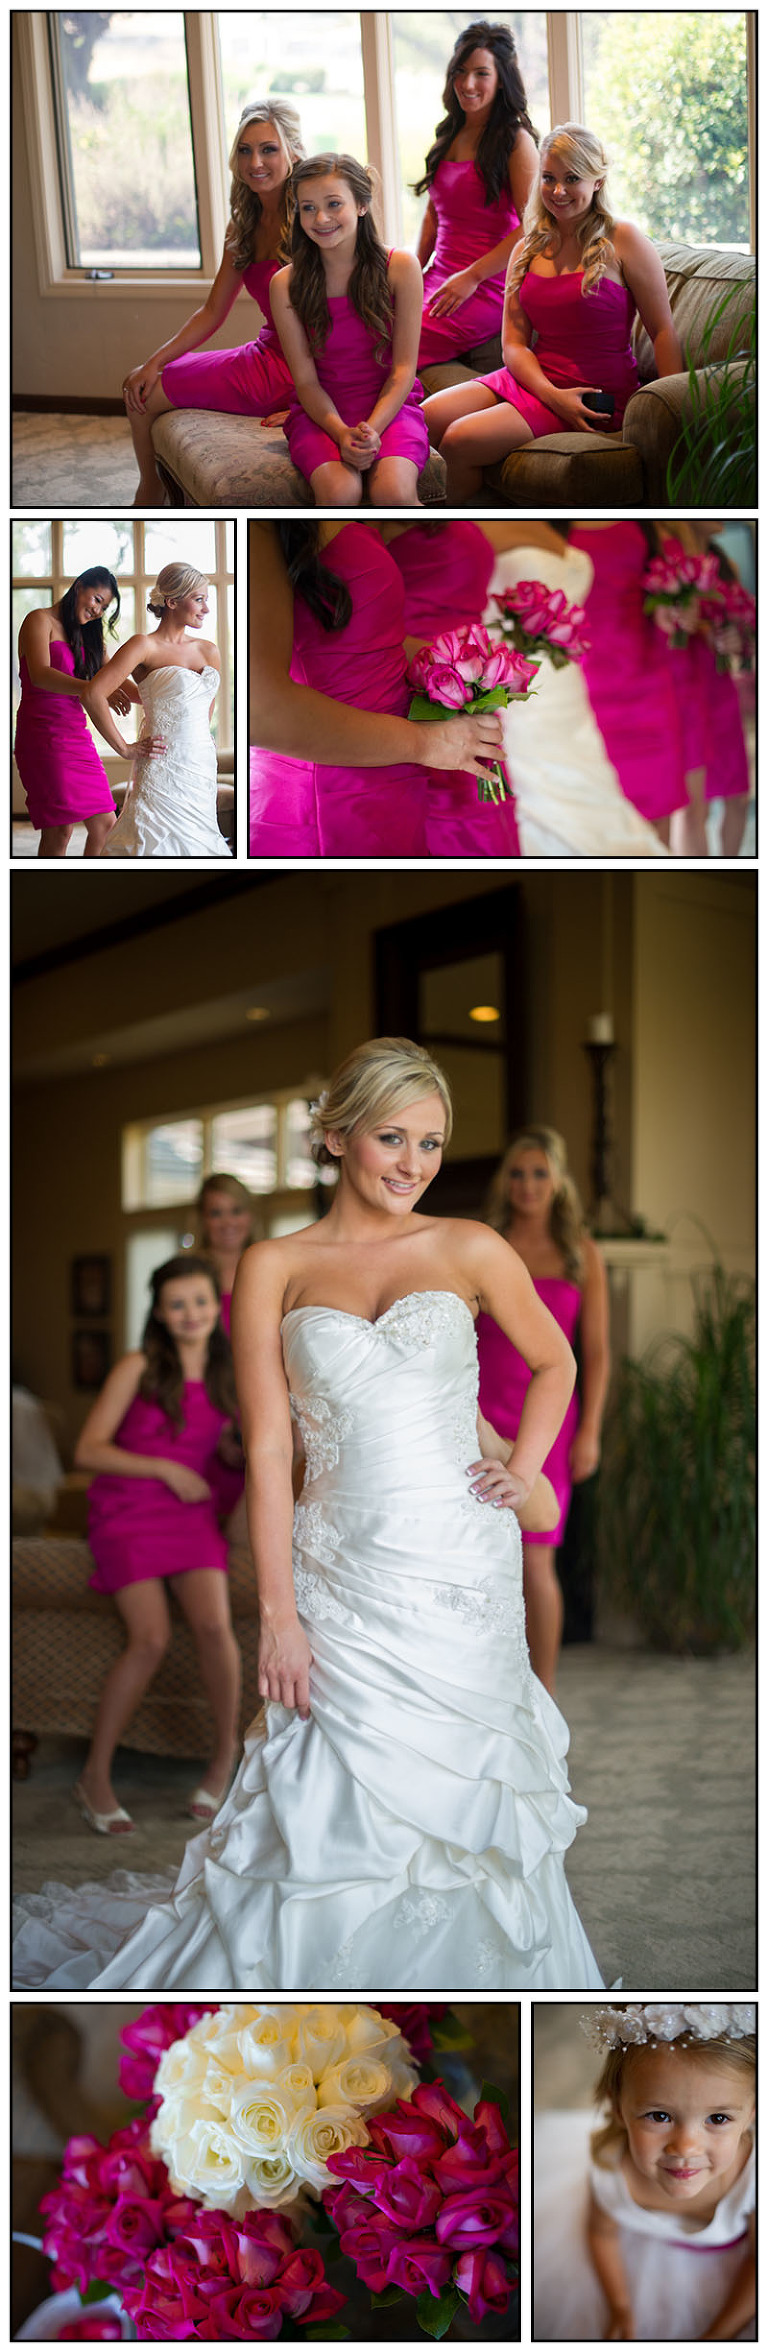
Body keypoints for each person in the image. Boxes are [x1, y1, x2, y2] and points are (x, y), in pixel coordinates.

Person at [12, 1038, 605, 1991]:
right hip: (340, 1564)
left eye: (431, 1142)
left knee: (466, 1773)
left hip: (461, 1561)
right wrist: (279, 1616)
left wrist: (523, 1467)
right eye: (391, 1137)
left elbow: (557, 1362)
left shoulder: (469, 1246)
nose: (413, 1163)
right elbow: (270, 1448)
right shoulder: (272, 1265)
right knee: (325, 1776)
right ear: (335, 1138)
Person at [69, 1256, 242, 1838]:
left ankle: (224, 1760)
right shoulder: (138, 1366)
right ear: (160, 1313)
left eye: (200, 1301)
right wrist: (165, 1469)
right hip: (128, 1511)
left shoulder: (228, 1375)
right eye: (177, 1304)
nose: (191, 1314)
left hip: (191, 1516)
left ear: (217, 1306)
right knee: (151, 1639)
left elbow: (219, 1452)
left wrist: (232, 1454)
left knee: (214, 1626)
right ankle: (94, 1777)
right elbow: (88, 1449)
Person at [423, 124, 682, 502]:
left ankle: (462, 533)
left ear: (597, 181)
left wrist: (674, 411)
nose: (558, 191)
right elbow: (514, 345)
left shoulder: (624, 239)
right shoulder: (527, 248)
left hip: (591, 393)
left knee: (460, 439)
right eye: (548, 178)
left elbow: (662, 331)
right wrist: (549, 394)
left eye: (571, 178)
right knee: (423, 419)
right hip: (534, 380)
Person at [248, 520, 504, 856]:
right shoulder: (258, 529)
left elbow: (367, 640)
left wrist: (460, 665)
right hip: (329, 794)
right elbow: (261, 714)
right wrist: (428, 742)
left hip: (391, 777)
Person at [476, 1127, 610, 1692]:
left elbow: (596, 1353)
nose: (527, 1185)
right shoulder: (486, 1244)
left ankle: (545, 1692)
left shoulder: (581, 1252)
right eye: (517, 1173)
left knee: (536, 1559)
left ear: (558, 1182)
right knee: (478, 1551)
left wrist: (591, 1431)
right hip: (482, 1414)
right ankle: (487, 1683)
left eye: (539, 1173)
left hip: (550, 1421)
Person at [534, 2003, 756, 2341]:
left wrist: (716, 2338)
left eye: (718, 2118)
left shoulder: (753, 2179)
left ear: (752, 2114)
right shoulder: (612, 2170)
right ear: (618, 2108)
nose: (686, 2148)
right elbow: (602, 2234)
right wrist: (621, 2308)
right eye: (659, 2116)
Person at [122, 101, 304, 507]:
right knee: (137, 382)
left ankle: (149, 497)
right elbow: (212, 312)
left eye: (269, 149)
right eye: (245, 150)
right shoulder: (242, 226)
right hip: (265, 355)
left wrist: (312, 403)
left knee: (144, 396)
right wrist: (154, 361)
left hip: (299, 370)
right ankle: (151, 487)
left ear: (294, 151)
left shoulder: (314, 219)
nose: (255, 162)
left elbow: (342, 324)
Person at [487, 529, 669, 855]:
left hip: (568, 688)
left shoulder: (558, 521)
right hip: (519, 689)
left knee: (594, 788)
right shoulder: (473, 524)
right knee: (546, 798)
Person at [271, 154, 428, 506]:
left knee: (393, 493)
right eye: (308, 208)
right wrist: (342, 433)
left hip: (391, 407)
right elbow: (306, 382)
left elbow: (403, 371)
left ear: (361, 204)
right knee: (341, 493)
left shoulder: (401, 267)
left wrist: (372, 430)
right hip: (322, 414)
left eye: (333, 204)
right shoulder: (284, 284)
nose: (321, 218)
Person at [82, 563, 231, 859]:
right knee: (150, 839)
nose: (206, 609)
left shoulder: (209, 650)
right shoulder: (143, 645)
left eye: (206, 600)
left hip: (200, 765)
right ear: (172, 602)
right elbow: (92, 694)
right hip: (160, 762)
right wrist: (124, 748)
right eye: (199, 599)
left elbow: (206, 705)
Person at [414, 19, 538, 368]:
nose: (468, 84)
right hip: (438, 277)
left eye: (481, 73)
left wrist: (471, 277)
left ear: (501, 79)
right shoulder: (447, 136)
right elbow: (434, 217)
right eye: (461, 71)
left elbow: (533, 225)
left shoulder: (516, 141)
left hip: (488, 286)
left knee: (396, 341)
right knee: (365, 324)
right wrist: (410, 275)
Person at [568, 523, 687, 844]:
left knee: (658, 818)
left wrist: (678, 610)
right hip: (583, 695)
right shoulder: (543, 521)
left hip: (647, 690)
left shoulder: (645, 522)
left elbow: (672, 599)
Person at [15, 568, 125, 858]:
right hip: (42, 735)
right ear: (79, 587)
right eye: (97, 599)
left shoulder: (89, 637)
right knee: (60, 830)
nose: (98, 611)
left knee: (105, 825)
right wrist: (94, 688)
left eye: (104, 608)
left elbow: (118, 677)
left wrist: (163, 693)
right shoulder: (39, 620)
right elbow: (40, 675)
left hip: (77, 736)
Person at [661, 523, 752, 860]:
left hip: (721, 691)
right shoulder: (667, 560)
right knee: (691, 808)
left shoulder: (724, 565)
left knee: (738, 796)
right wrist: (701, 629)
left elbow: (741, 627)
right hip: (683, 686)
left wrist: (737, 640)